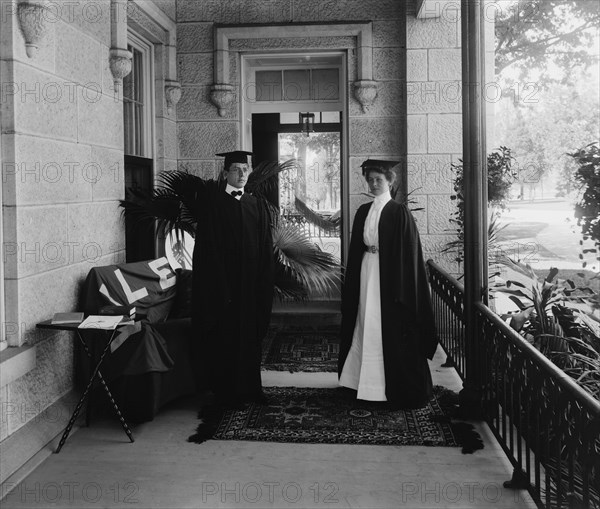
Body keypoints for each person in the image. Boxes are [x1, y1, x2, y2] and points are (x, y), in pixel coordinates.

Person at [338, 159, 438, 408]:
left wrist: (399, 287)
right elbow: (357, 248)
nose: (373, 184)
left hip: (389, 279)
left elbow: (409, 255)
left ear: (389, 181)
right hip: (366, 271)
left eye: (378, 180)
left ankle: (385, 387)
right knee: (364, 320)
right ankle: (359, 382)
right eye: (370, 180)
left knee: (383, 326)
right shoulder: (362, 211)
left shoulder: (398, 212)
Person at [190, 150, 274, 407]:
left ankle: (251, 389)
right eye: (236, 169)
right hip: (223, 287)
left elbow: (264, 247)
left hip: (250, 285)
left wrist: (262, 280)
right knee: (226, 337)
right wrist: (219, 285)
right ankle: (226, 392)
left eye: (245, 169)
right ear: (225, 173)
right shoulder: (213, 205)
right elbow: (206, 251)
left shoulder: (256, 204)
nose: (241, 174)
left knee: (249, 336)